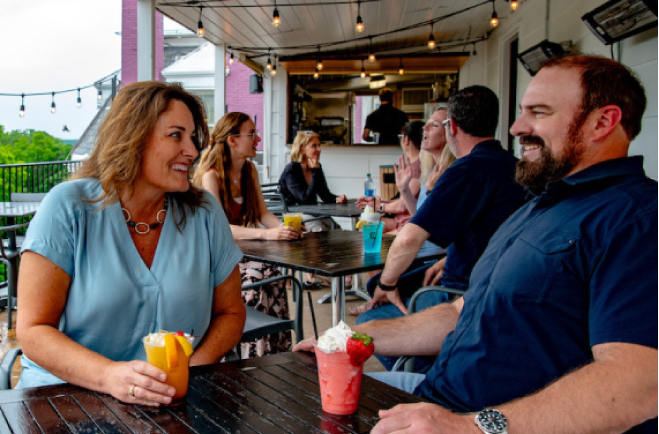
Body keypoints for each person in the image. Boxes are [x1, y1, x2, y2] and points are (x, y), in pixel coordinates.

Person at [297, 55, 658, 433]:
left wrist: (474, 427)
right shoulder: (538, 205)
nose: (518, 127)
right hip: (438, 395)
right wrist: (351, 338)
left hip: (481, 418)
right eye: (521, 112)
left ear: (604, 121)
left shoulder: (637, 220)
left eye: (539, 112)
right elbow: (458, 313)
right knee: (303, 394)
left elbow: (639, 383)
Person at [16, 82, 245, 406]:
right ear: (133, 138)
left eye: (192, 137)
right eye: (176, 135)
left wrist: (188, 371)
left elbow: (231, 313)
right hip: (65, 400)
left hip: (171, 403)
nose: (193, 151)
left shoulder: (205, 212)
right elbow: (33, 330)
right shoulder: (68, 207)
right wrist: (110, 376)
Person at [356, 89, 527, 354]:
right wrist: (447, 258)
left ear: (453, 127)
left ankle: (436, 368)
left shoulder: (466, 170)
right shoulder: (515, 167)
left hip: (463, 295)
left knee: (368, 321)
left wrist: (386, 284)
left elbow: (409, 239)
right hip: (504, 290)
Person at [193, 112, 301, 359]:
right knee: (258, 273)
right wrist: (268, 236)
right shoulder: (211, 176)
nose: (258, 138)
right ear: (232, 140)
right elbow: (222, 229)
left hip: (246, 250)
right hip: (218, 258)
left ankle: (275, 350)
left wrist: (285, 229)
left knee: (273, 271)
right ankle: (247, 351)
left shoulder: (249, 170)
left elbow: (263, 214)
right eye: (252, 133)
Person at [356, 120, 425, 235]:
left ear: (406, 140)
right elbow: (404, 200)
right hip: (401, 221)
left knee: (368, 233)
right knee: (366, 227)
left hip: (408, 225)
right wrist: (378, 203)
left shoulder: (417, 168)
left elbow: (402, 206)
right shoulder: (416, 165)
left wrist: (379, 206)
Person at [278, 130, 348, 233]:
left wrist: (337, 198)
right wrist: (315, 171)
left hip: (311, 212)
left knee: (337, 230)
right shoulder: (292, 170)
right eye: (314, 146)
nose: (319, 149)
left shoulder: (316, 167)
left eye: (319, 145)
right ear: (301, 149)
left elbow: (325, 195)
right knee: (321, 230)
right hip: (294, 214)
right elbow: (306, 199)